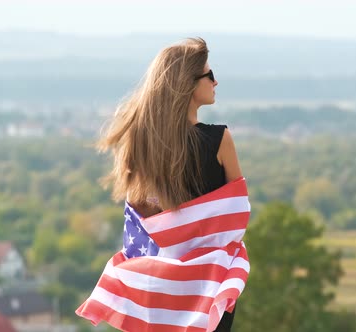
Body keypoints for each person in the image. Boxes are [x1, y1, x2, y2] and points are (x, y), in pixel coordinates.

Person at [75, 38, 249, 332]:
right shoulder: (219, 140)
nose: (216, 81)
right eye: (209, 75)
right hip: (208, 288)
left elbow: (141, 221)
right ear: (188, 83)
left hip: (156, 292)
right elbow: (237, 213)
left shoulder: (141, 146)